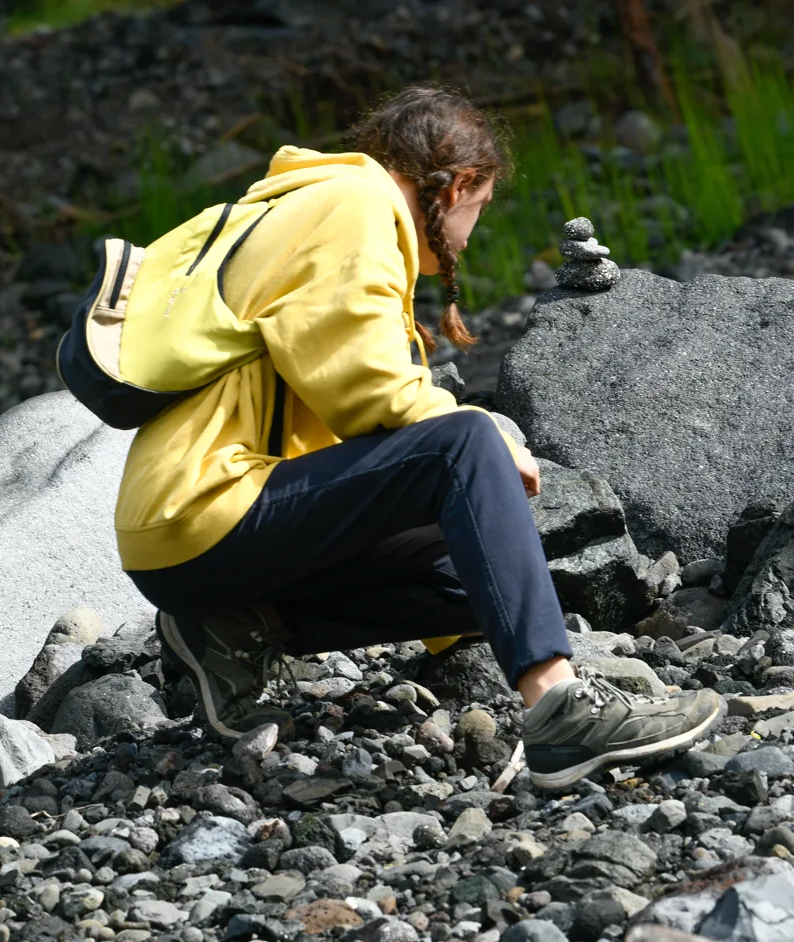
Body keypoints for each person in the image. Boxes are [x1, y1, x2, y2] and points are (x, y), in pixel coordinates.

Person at [116, 85, 724, 789]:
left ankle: (233, 627)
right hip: (202, 509)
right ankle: (560, 711)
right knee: (464, 442)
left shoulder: (334, 212)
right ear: (459, 184)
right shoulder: (354, 206)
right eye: (481, 206)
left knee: (490, 588)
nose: (472, 230)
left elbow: (339, 431)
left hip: (221, 535)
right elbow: (364, 390)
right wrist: (487, 438)